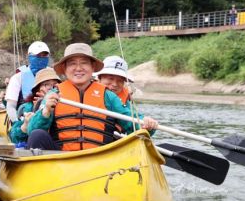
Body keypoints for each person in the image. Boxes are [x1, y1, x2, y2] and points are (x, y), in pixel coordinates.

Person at [26, 43, 158, 151]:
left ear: (93, 67)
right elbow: (31, 130)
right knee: (37, 135)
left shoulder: (108, 96)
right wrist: (46, 111)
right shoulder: (53, 94)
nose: (78, 68)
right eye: (72, 63)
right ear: (65, 68)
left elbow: (131, 124)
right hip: (62, 158)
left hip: (98, 158)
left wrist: (146, 124)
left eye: (84, 63)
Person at [9, 67, 61, 146]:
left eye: (54, 85)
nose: (51, 88)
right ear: (38, 89)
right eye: (46, 84)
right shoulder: (26, 108)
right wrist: (25, 125)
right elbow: (14, 137)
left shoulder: (63, 103)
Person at [4, 41, 50, 122]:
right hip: (24, 119)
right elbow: (11, 106)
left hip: (47, 117)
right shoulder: (18, 78)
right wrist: (17, 124)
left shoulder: (52, 75)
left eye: (44, 55)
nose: (42, 58)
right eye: (38, 55)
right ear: (30, 56)